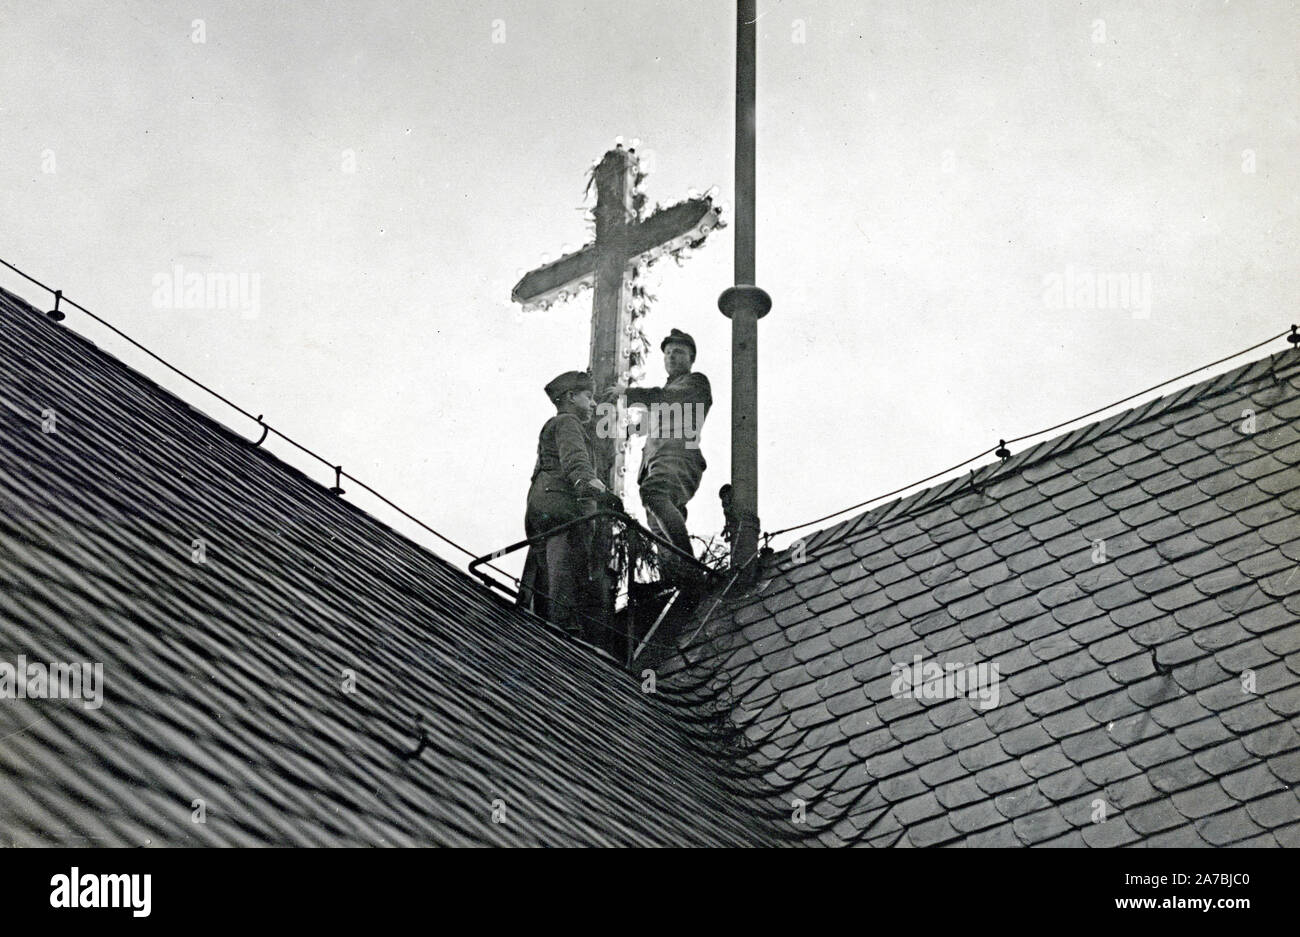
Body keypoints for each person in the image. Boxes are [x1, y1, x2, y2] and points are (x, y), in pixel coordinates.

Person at [517, 370, 619, 637]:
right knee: (564, 579)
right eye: (589, 397)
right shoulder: (568, 423)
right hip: (561, 510)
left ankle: (548, 632)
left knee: (547, 580)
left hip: (542, 508)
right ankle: (565, 632)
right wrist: (600, 492)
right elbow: (576, 462)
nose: (594, 404)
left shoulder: (552, 426)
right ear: (571, 397)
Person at [608, 328, 711, 573]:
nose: (671, 357)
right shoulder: (668, 393)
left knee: (654, 495)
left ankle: (689, 566)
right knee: (657, 524)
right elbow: (649, 422)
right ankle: (674, 576)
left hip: (677, 456)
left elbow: (665, 398)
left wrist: (626, 394)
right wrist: (625, 430)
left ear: (691, 358)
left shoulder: (695, 382)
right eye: (667, 353)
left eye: (678, 352)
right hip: (657, 460)